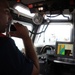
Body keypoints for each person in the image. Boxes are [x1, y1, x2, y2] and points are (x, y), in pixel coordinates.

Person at [0, 0, 39, 75]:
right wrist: (26, 37)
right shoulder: (5, 44)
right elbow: (36, 70)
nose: (10, 17)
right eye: (7, 11)